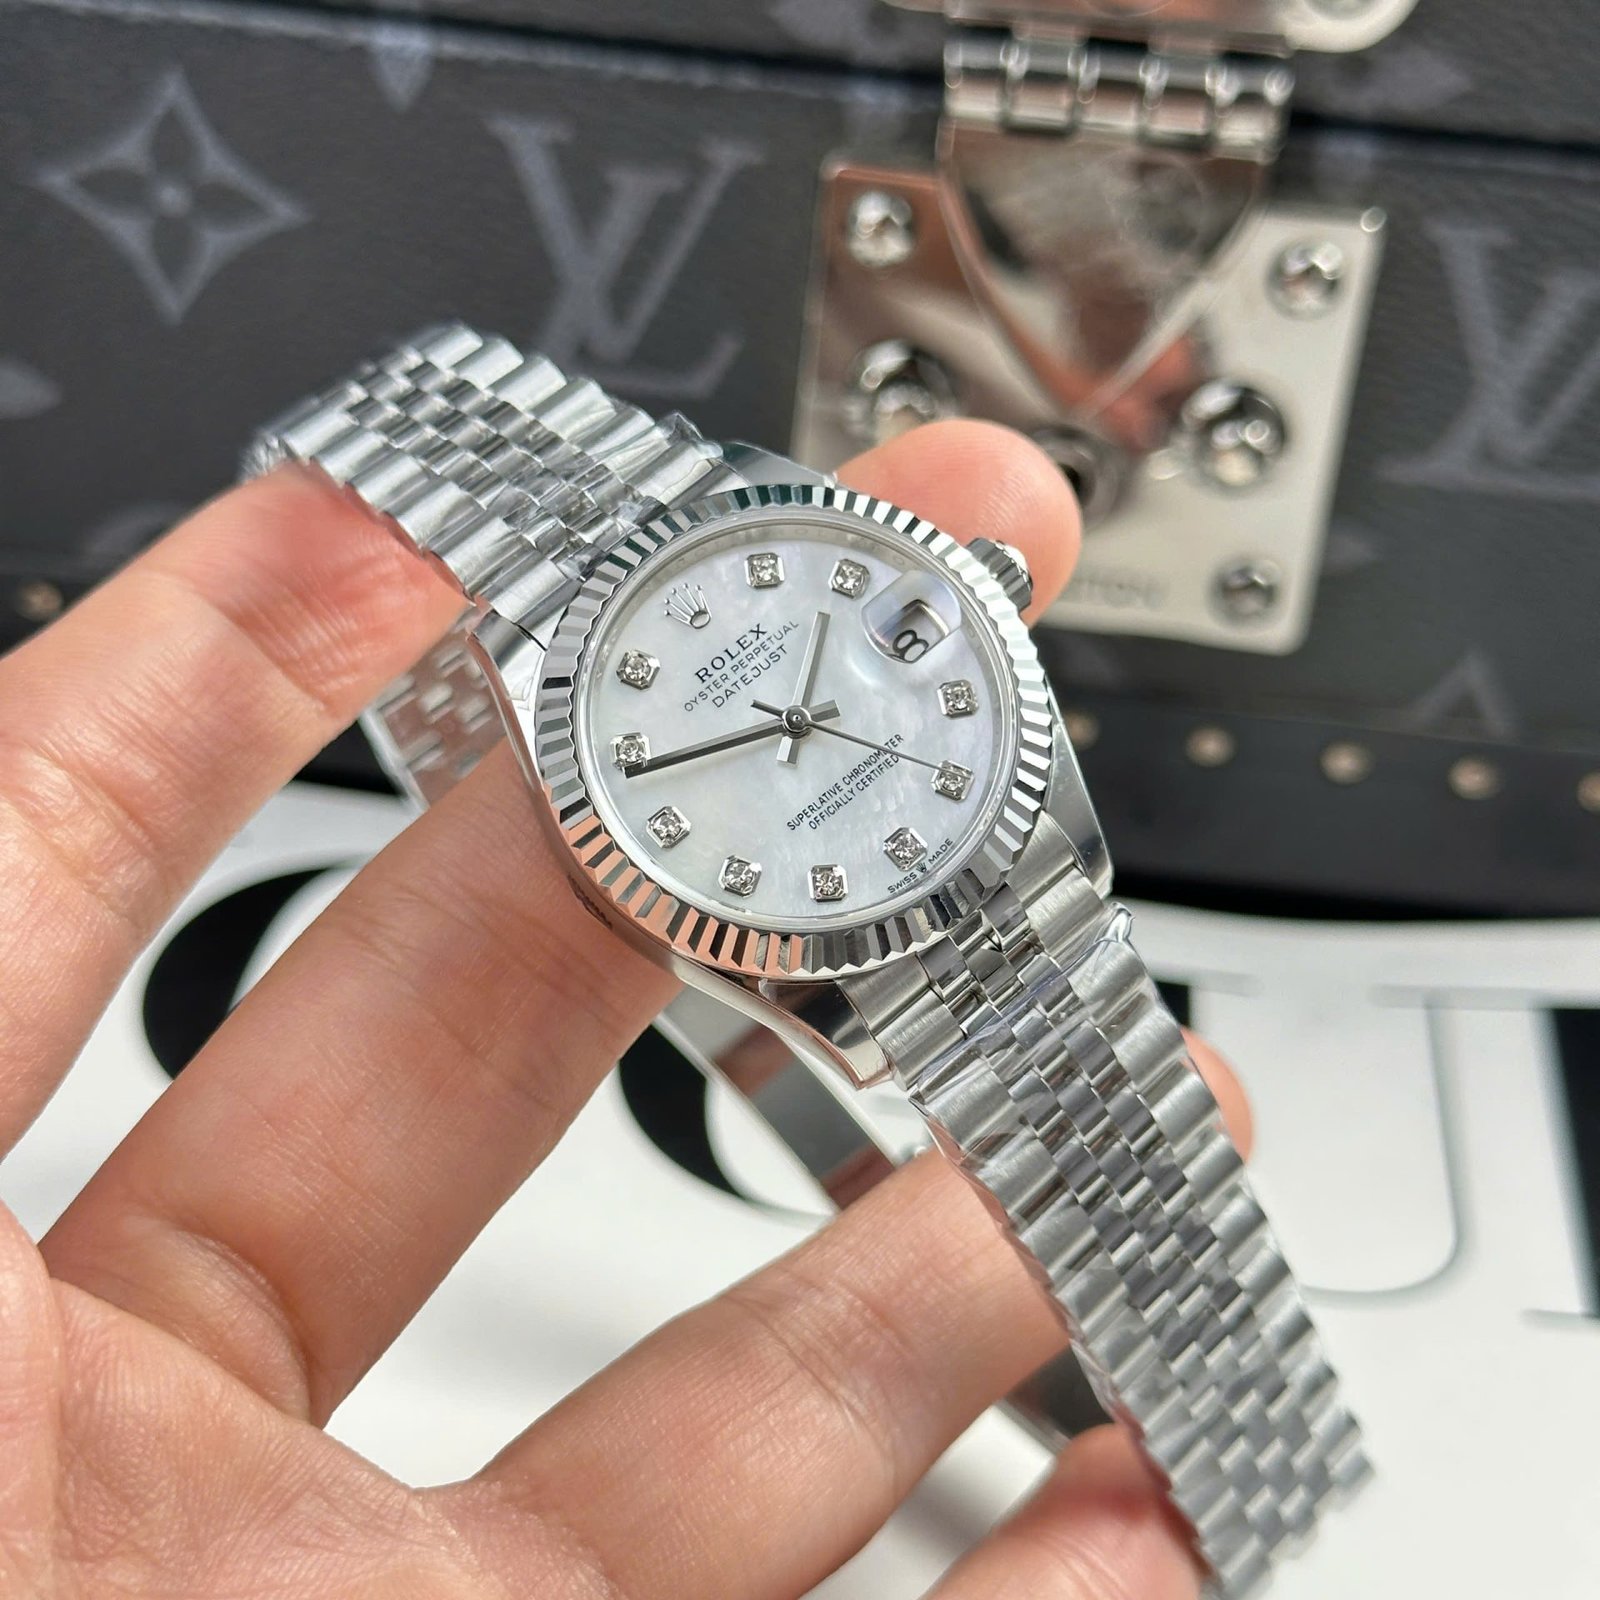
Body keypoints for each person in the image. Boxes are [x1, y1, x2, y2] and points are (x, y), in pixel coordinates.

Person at [0, 420, 1251, 1597]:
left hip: (957, 824)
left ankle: (1239, 1412)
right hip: (835, 866)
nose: (792, 723)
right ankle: (1239, 1430)